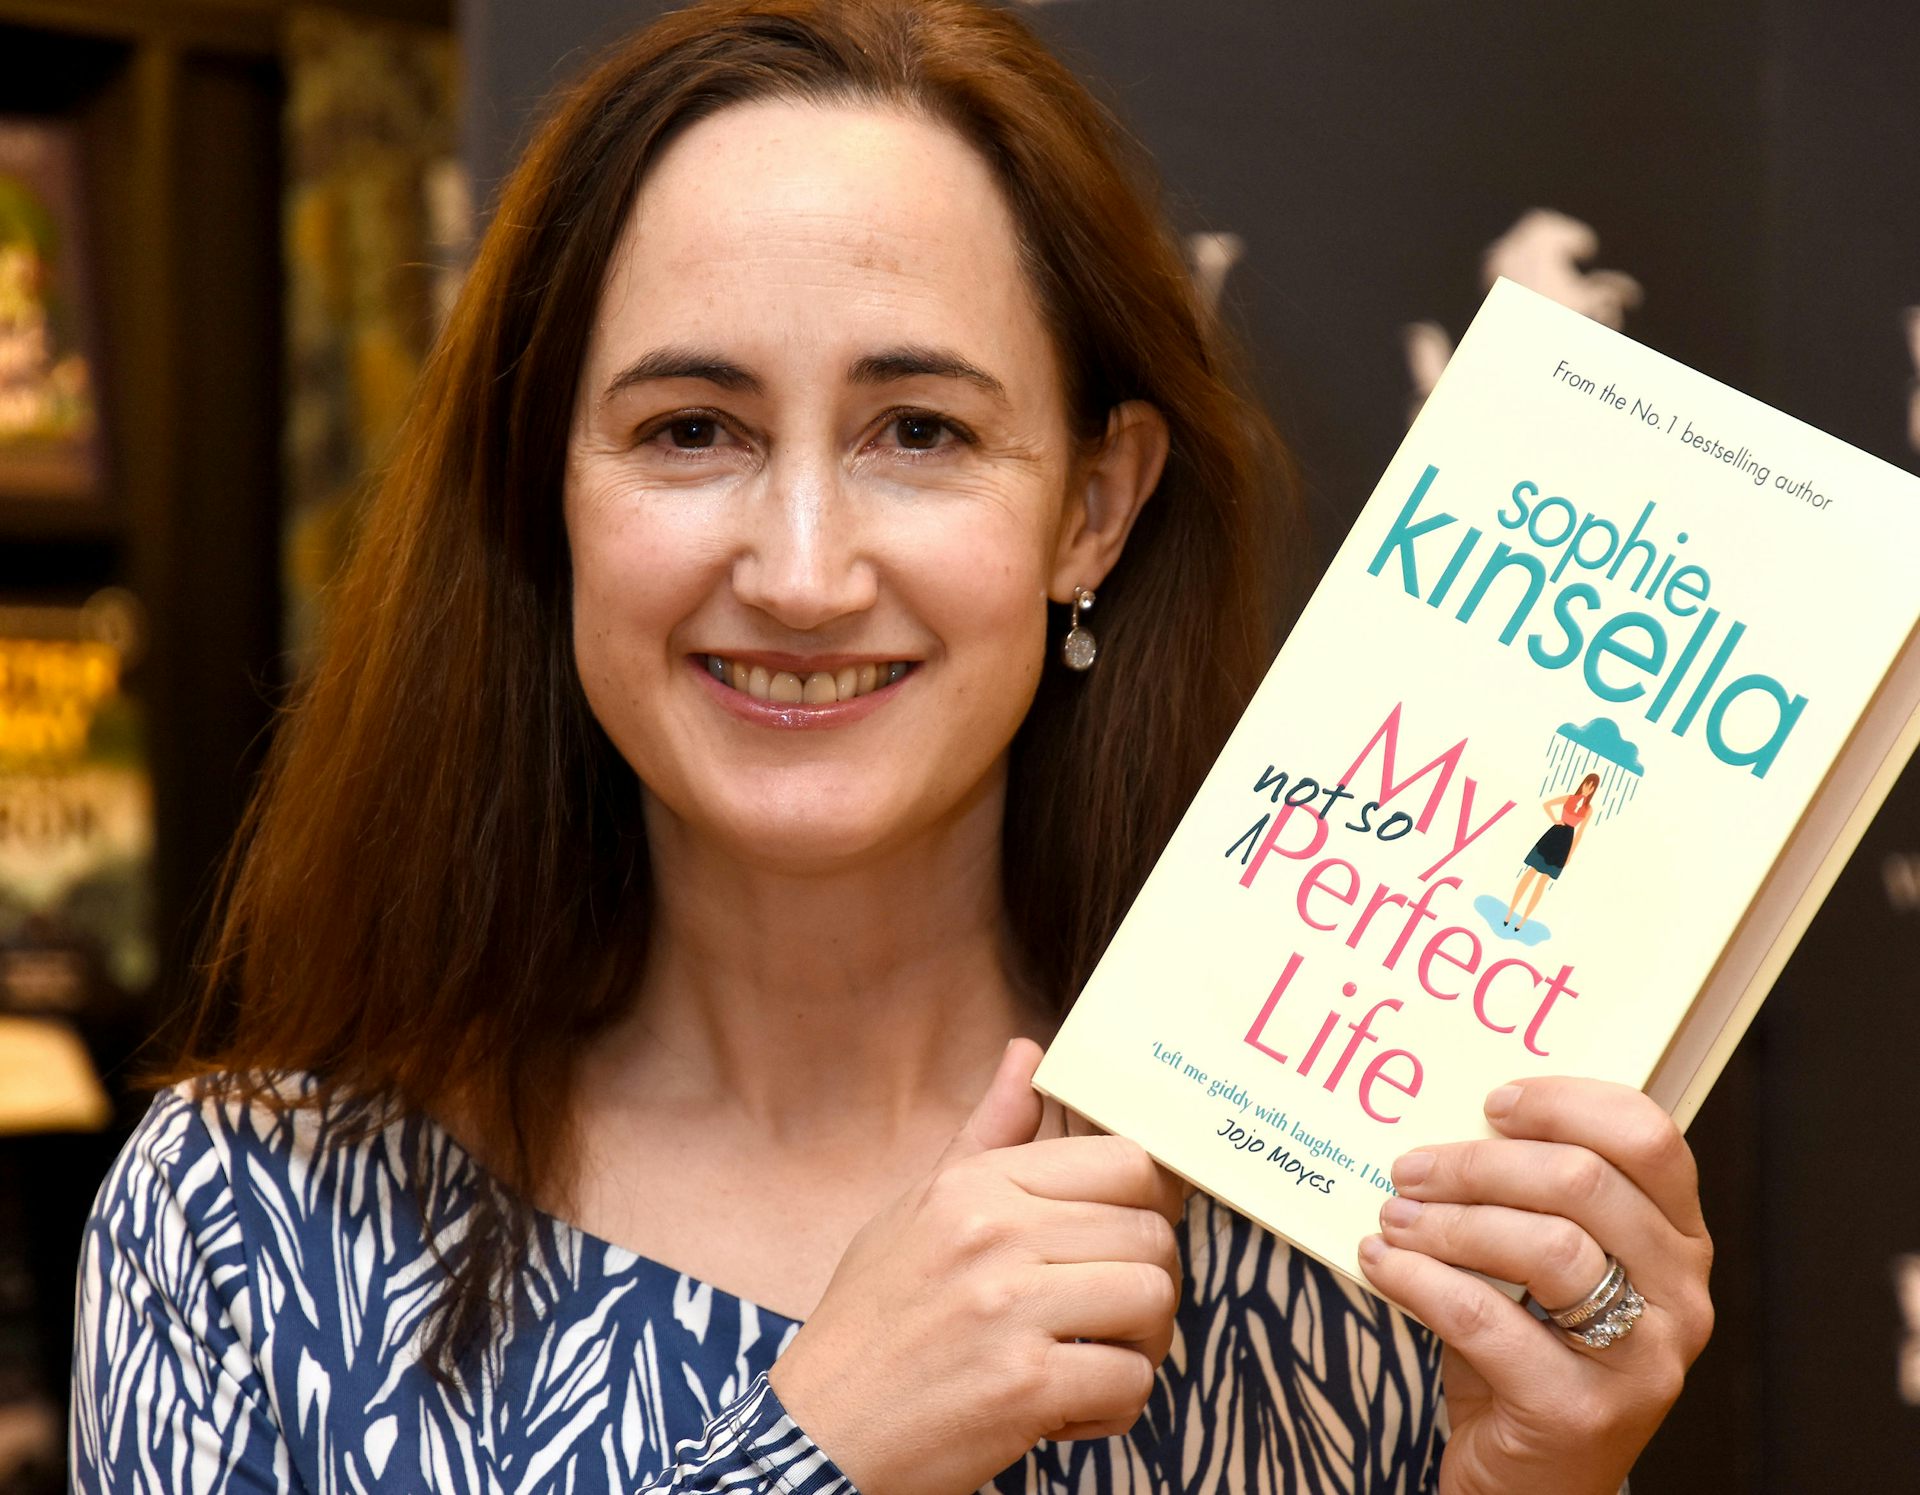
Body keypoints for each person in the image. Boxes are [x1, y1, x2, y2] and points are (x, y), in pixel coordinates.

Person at [68, 2, 1713, 1491]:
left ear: (1091, 508)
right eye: (688, 430)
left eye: (917, 432)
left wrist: (1531, 1485)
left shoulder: (1354, 1222)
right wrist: (821, 1449)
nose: (799, 571)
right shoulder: (243, 1218)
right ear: (543, 487)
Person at [1505, 772, 1602, 932]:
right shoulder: (1569, 797)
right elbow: (1547, 804)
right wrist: (1556, 820)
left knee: (1542, 882)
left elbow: (1580, 833)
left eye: (1591, 787)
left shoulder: (1588, 809)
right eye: (1586, 784)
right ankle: (1510, 912)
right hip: (1553, 835)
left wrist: (1570, 855)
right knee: (1530, 873)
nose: (1587, 789)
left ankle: (1522, 920)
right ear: (1582, 783)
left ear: (1593, 790)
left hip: (1565, 843)